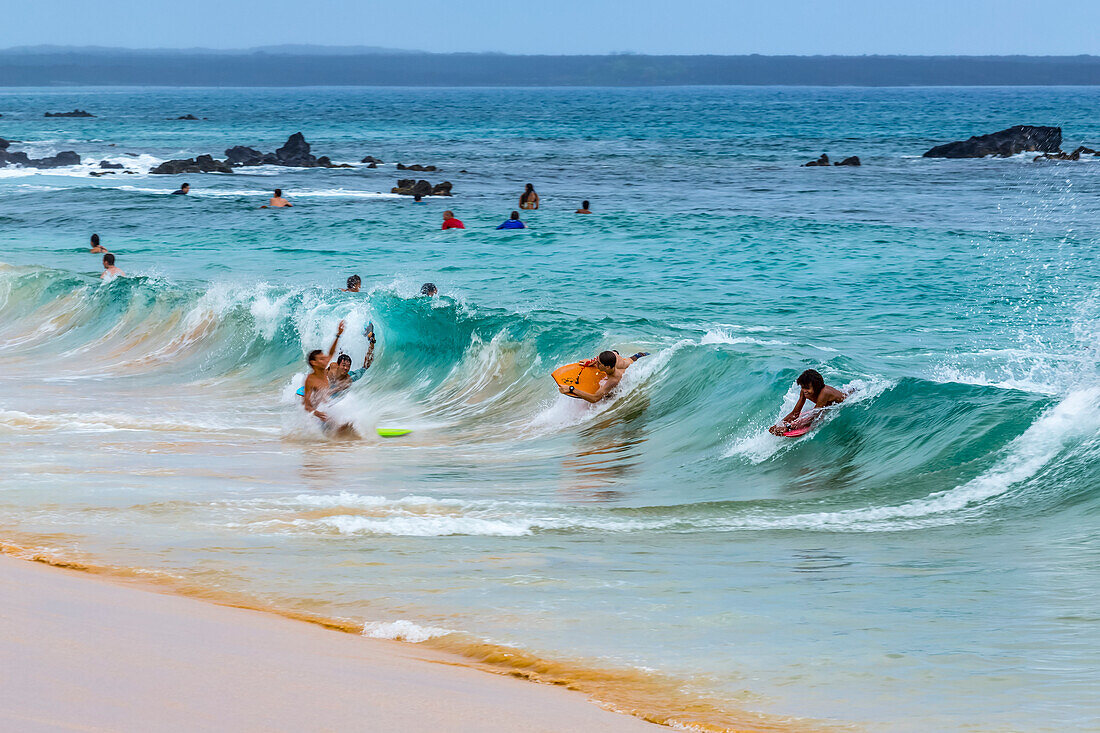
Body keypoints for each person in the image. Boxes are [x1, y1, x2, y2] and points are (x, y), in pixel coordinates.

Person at [769, 369, 848, 435]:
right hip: (827, 405)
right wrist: (779, 425)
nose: (804, 391)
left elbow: (814, 416)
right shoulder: (804, 391)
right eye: (803, 387)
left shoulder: (824, 393)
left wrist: (789, 427)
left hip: (846, 400)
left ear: (816, 386)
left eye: (807, 388)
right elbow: (795, 413)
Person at [559, 350, 648, 404]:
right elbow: (611, 352)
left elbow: (594, 398)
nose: (596, 364)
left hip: (641, 359)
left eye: (599, 363)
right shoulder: (613, 357)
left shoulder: (614, 380)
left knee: (608, 397)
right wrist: (592, 361)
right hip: (635, 357)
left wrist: (571, 389)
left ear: (607, 367)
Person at [302, 321, 346, 424]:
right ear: (314, 362)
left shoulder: (324, 371)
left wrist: (338, 335)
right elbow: (306, 405)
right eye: (321, 359)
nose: (326, 360)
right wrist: (316, 413)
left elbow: (331, 352)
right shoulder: (310, 379)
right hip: (318, 418)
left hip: (327, 410)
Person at [327, 327, 376, 396]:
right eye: (344, 365)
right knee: (342, 355)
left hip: (350, 375)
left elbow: (333, 391)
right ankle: (343, 345)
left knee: (365, 367)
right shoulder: (332, 368)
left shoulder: (347, 381)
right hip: (338, 375)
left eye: (348, 366)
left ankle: (372, 341)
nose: (346, 368)